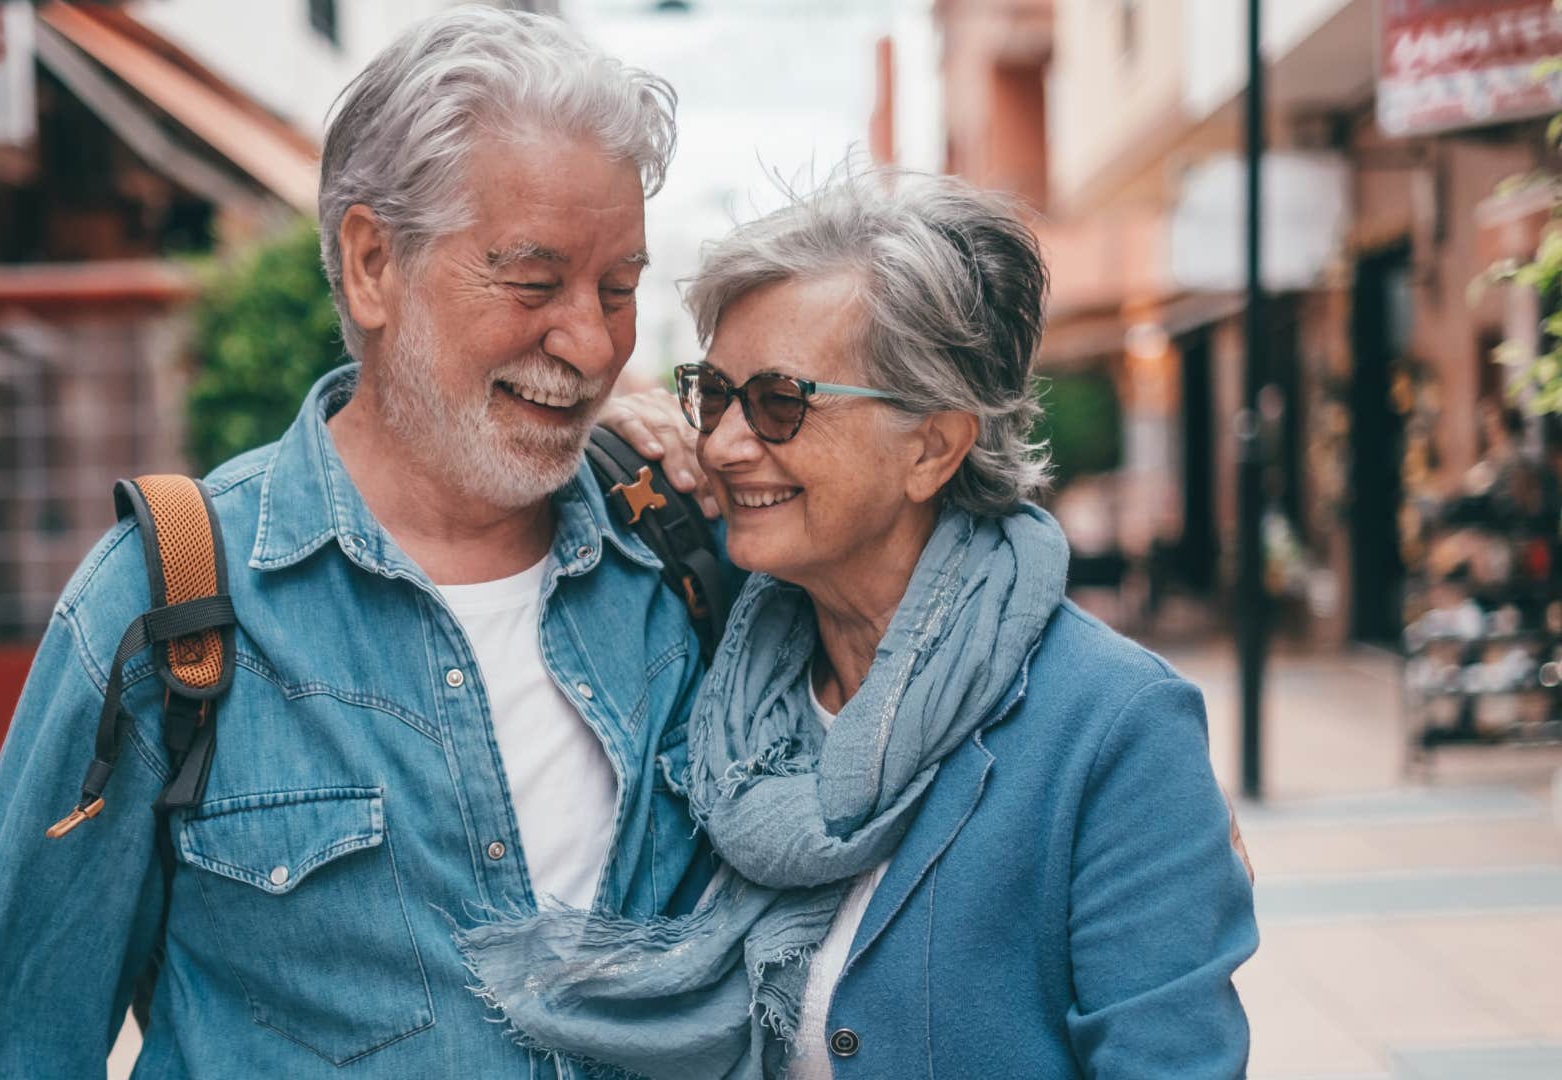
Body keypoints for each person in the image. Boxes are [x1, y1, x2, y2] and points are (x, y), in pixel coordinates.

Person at [0, 10, 707, 1078]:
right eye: (534, 282)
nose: (591, 341)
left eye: (619, 289)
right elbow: (11, 1047)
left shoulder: (677, 565)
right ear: (374, 262)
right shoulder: (165, 598)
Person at [460, 168, 1259, 1080]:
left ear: (932, 447)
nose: (721, 444)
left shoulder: (1112, 728)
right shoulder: (710, 655)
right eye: (712, 394)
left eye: (779, 403)